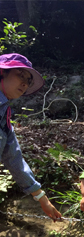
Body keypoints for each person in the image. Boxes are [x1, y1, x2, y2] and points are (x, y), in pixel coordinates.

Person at [0, 53, 61, 221]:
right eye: (20, 75)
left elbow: (14, 158)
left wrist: (42, 198)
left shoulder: (4, 117)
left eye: (28, 81)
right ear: (2, 73)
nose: (25, 83)